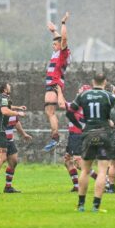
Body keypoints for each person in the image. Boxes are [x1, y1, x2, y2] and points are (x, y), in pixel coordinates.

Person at [68, 73, 115, 212]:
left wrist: (79, 126)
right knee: (102, 171)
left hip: (88, 133)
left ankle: (81, 205)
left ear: (92, 81)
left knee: (85, 170)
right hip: (104, 134)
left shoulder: (83, 95)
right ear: (105, 82)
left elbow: (70, 112)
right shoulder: (109, 95)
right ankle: (96, 205)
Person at [63, 84, 99, 192]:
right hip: (75, 135)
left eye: (80, 92)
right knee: (67, 160)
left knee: (79, 164)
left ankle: (102, 180)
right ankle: (76, 185)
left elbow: (61, 103)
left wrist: (58, 90)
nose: (77, 93)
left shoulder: (79, 105)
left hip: (77, 136)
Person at [43, 12, 71, 152]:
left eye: (55, 44)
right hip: (52, 84)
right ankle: (55, 136)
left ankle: (55, 137)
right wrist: (54, 31)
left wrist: (63, 23)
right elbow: (59, 38)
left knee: (50, 110)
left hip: (54, 84)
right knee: (49, 110)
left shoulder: (63, 53)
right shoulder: (57, 52)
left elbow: (63, 39)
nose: (53, 45)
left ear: (60, 45)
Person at [3, 102, 33, 193]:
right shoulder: (0, 113)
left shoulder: (13, 114)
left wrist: (24, 134)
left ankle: (8, 187)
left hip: (10, 141)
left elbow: (17, 123)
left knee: (14, 162)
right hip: (0, 140)